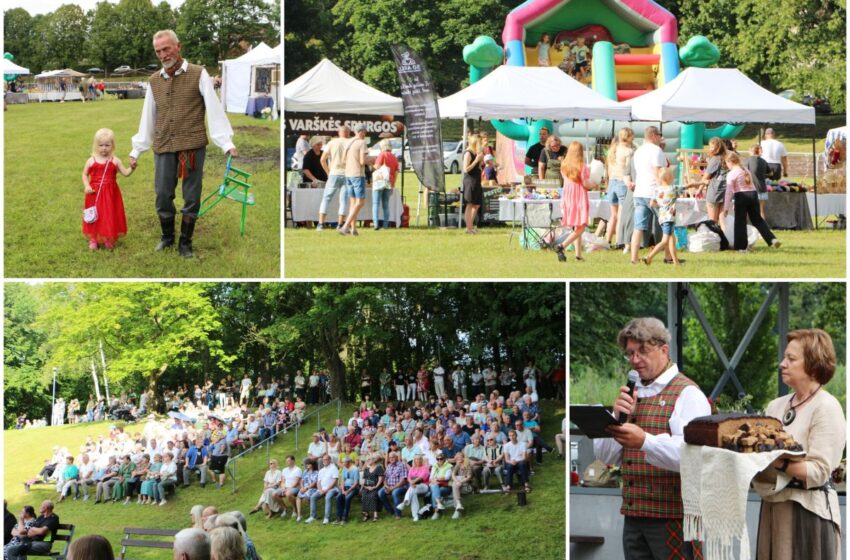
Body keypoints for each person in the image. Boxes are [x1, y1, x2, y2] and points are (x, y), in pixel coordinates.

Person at [594, 317, 711, 560]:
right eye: (630, 354)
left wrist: (645, 441)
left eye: (642, 351)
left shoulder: (688, 394)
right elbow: (605, 456)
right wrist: (617, 416)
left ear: (663, 350)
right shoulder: (633, 393)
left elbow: (693, 457)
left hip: (674, 517)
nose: (635, 360)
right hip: (634, 516)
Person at [129, 29, 237, 259]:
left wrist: (225, 142)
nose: (162, 54)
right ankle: (167, 237)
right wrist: (137, 150)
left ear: (178, 47)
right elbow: (148, 116)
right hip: (164, 143)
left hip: (192, 143)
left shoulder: (199, 73)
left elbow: (214, 109)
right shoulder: (154, 81)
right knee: (162, 193)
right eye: (158, 51)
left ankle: (185, 243)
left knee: (191, 195)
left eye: (166, 48)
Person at [755, 329, 845, 560]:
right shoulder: (775, 406)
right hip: (773, 508)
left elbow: (819, 470)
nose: (782, 364)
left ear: (814, 366)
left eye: (791, 359)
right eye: (785, 357)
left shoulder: (826, 407)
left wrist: (776, 462)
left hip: (807, 512)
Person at [82, 128, 132, 251]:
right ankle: (94, 238)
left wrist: (132, 167)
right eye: (101, 145)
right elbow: (84, 174)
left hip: (110, 194)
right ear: (96, 145)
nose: (104, 148)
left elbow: (125, 173)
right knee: (95, 215)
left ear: (112, 145)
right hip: (94, 194)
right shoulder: (91, 160)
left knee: (109, 214)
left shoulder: (115, 160)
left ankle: (108, 238)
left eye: (107, 145)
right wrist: (87, 185)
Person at [723, 151, 781, 251]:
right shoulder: (745, 170)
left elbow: (728, 192)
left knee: (740, 222)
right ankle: (772, 239)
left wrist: (726, 207)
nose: (726, 165)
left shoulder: (732, 174)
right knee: (758, 220)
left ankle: (741, 247)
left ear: (730, 161)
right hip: (753, 195)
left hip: (741, 195)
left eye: (726, 163)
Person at [629, 126, 667, 265]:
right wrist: (661, 192)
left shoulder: (638, 151)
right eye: (659, 135)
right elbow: (658, 173)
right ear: (652, 136)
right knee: (666, 225)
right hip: (653, 193)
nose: (660, 138)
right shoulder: (656, 151)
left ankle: (633, 258)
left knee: (638, 227)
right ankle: (668, 257)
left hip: (639, 192)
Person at [640, 167, 694, 266]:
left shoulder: (657, 190)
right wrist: (702, 183)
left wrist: (662, 205)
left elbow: (652, 204)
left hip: (662, 218)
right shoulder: (673, 189)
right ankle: (649, 257)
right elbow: (688, 186)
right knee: (665, 241)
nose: (674, 176)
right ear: (669, 178)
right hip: (669, 219)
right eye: (672, 175)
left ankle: (675, 262)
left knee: (672, 240)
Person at [554, 141, 597, 262]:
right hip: (579, 196)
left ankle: (578, 255)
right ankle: (562, 246)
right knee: (581, 227)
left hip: (568, 196)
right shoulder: (582, 166)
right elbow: (585, 183)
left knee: (576, 227)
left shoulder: (564, 165)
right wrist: (594, 184)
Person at [317, 126, 351, 230]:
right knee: (344, 200)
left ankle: (321, 224)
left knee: (326, 198)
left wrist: (328, 172)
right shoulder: (351, 143)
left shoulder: (332, 143)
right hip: (347, 174)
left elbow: (322, 160)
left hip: (334, 173)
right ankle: (340, 224)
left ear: (339, 132)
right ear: (348, 133)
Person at [605, 128, 635, 246]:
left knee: (613, 216)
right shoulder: (629, 151)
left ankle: (607, 240)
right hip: (623, 182)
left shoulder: (613, 150)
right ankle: (619, 241)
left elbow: (608, 169)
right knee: (621, 215)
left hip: (612, 181)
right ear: (628, 137)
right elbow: (628, 169)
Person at [339, 124, 369, 236]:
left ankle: (354, 229)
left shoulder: (349, 142)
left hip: (348, 175)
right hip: (358, 175)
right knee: (360, 202)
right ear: (361, 132)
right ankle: (346, 226)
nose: (365, 134)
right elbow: (362, 161)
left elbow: (343, 161)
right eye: (364, 132)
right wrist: (372, 160)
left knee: (353, 203)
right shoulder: (362, 143)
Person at [698, 137, 729, 223]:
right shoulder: (727, 158)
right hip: (726, 192)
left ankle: (714, 236)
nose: (710, 149)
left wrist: (699, 189)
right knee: (722, 220)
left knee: (712, 221)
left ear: (716, 148)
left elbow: (706, 176)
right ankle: (724, 236)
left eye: (711, 147)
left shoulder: (715, 159)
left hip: (714, 192)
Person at [372, 139, 399, 230]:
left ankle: (376, 224)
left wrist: (373, 164)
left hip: (380, 181)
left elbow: (377, 166)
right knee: (386, 204)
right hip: (389, 182)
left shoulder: (382, 154)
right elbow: (396, 172)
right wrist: (393, 183)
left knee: (376, 203)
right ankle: (386, 224)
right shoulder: (394, 157)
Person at [462, 133, 484, 234]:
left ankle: (470, 225)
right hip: (470, 181)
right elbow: (466, 169)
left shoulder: (476, 153)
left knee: (477, 204)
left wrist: (480, 161)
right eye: (479, 143)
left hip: (476, 181)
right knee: (470, 204)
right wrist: (476, 161)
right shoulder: (468, 153)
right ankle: (469, 227)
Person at [398, 454, 431, 522]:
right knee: (413, 494)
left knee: (413, 488)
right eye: (416, 459)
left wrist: (413, 482)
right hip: (414, 487)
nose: (418, 460)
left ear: (422, 460)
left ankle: (405, 502)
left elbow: (421, 477)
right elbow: (408, 478)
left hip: (424, 486)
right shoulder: (412, 468)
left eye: (419, 459)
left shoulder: (425, 468)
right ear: (414, 460)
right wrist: (411, 482)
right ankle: (415, 516)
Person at [745, 144, 770, 220]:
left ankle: (745, 227)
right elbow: (770, 173)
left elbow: (744, 172)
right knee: (761, 210)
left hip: (752, 188)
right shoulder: (764, 161)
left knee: (746, 210)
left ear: (752, 151)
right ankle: (764, 228)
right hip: (762, 188)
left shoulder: (748, 160)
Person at [359, 453, 385, 522]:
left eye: (369, 459)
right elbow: (364, 480)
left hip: (376, 486)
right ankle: (366, 514)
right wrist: (364, 487)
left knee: (373, 495)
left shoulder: (379, 467)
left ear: (373, 460)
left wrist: (375, 487)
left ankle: (375, 514)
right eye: (367, 460)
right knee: (364, 495)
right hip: (367, 487)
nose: (367, 461)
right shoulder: (366, 469)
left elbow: (380, 479)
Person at [428, 450, 453, 519]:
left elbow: (447, 477)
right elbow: (430, 478)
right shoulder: (434, 466)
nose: (439, 460)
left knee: (434, 492)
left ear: (444, 459)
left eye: (441, 459)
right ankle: (438, 506)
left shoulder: (449, 466)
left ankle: (436, 511)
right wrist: (436, 480)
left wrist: (436, 479)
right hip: (436, 485)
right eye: (437, 459)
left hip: (446, 486)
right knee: (434, 486)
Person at [334, 456, 359, 524]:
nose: (343, 463)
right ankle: (339, 517)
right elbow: (342, 480)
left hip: (353, 488)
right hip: (345, 488)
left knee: (347, 498)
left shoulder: (355, 469)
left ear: (349, 462)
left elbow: (356, 483)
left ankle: (344, 518)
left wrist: (348, 491)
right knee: (338, 497)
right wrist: (342, 490)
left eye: (344, 462)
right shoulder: (344, 469)